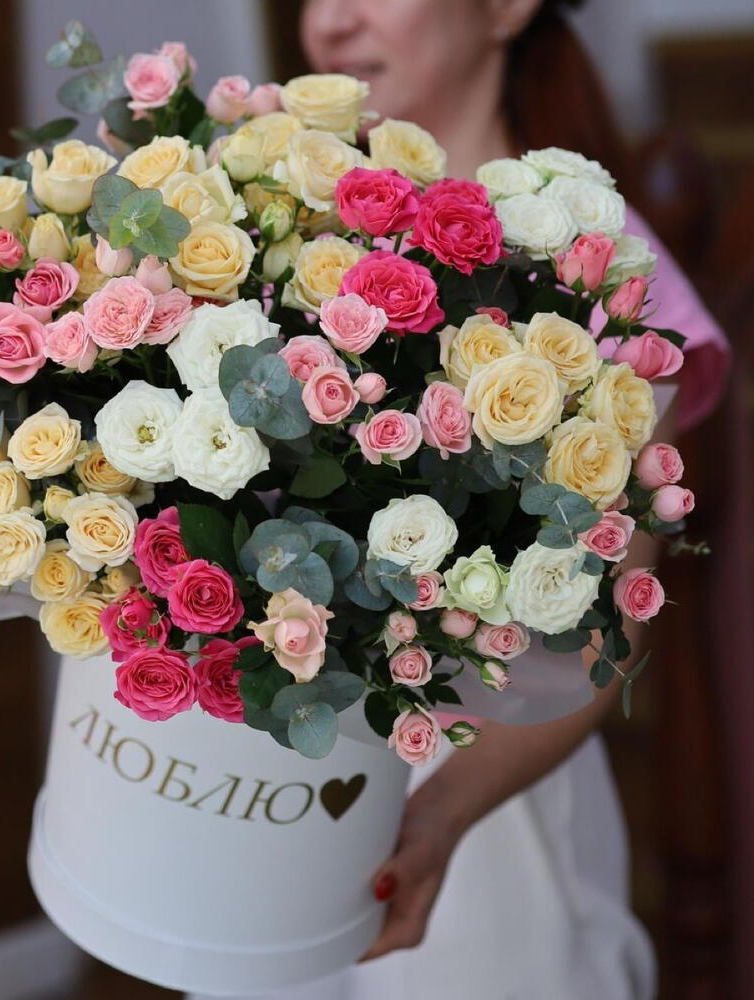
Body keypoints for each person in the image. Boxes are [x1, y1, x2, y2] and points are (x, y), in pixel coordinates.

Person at [188, 1, 729, 997]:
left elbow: (603, 640)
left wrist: (436, 818)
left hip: (482, 839)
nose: (329, 25)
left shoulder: (604, 281)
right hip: (256, 809)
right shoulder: (266, 221)